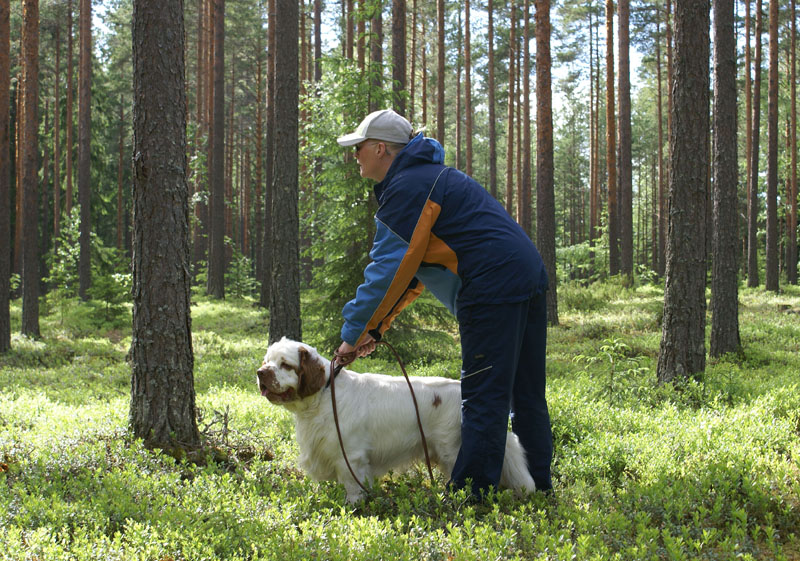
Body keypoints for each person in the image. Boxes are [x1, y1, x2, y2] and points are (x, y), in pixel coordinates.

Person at [334, 108, 553, 497]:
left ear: (382, 149)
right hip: (527, 274)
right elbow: (413, 274)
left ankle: (473, 495)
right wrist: (375, 329)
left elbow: (389, 268)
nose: (355, 155)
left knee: (483, 393)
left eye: (359, 147)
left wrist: (354, 332)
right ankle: (537, 486)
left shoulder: (408, 187)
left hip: (492, 285)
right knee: (526, 392)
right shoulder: (427, 178)